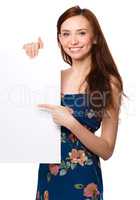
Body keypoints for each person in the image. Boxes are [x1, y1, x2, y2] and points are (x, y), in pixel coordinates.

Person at [23, 5, 124, 200]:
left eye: (81, 33)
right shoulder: (49, 77)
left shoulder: (109, 83)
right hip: (48, 180)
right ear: (59, 39)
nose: (73, 41)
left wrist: (71, 123)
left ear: (95, 38)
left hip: (83, 182)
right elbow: (20, 121)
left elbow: (107, 150)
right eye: (66, 34)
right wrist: (28, 60)